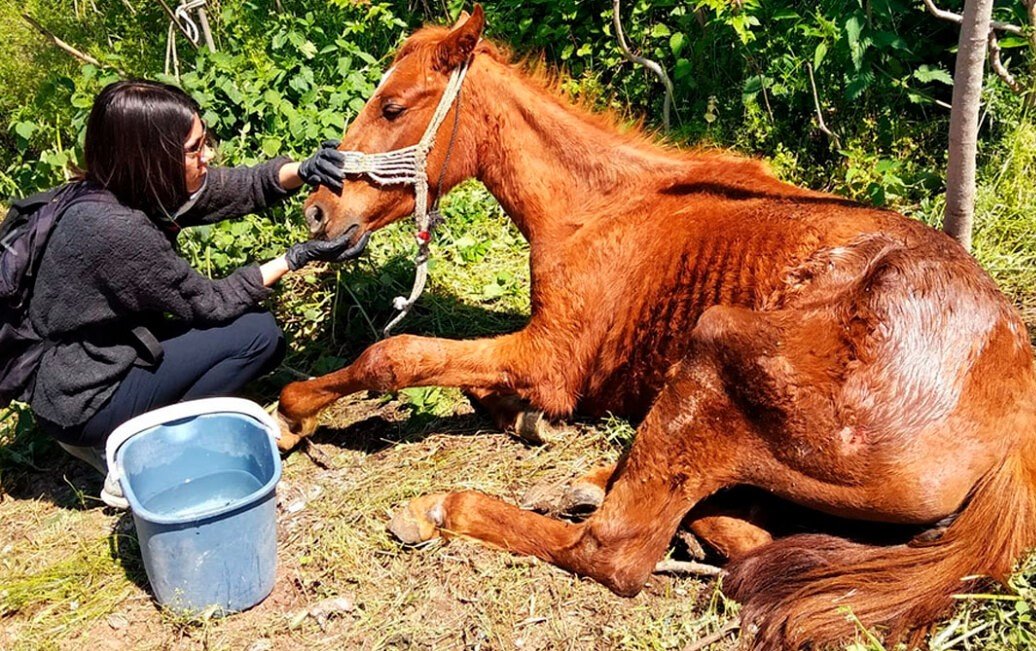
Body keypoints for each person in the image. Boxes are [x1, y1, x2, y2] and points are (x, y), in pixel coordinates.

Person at [24, 80, 355, 505]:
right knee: (257, 336)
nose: (208, 155)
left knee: (254, 333)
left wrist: (303, 170)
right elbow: (211, 304)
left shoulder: (115, 189)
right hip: (86, 398)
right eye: (194, 149)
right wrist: (295, 258)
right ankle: (135, 452)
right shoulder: (117, 231)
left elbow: (234, 188)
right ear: (151, 158)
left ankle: (128, 430)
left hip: (79, 370)